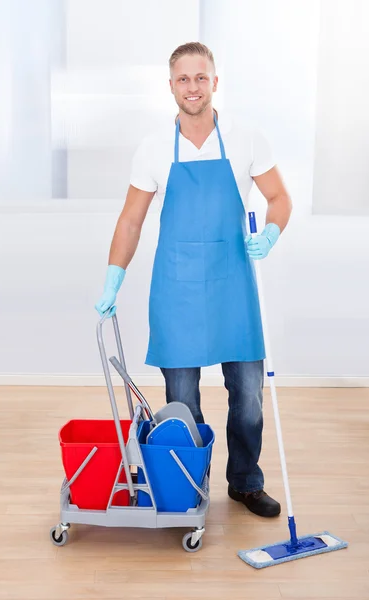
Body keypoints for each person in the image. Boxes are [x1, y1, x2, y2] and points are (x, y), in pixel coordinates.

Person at [96, 42, 292, 517]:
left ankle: (245, 482)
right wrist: (112, 279)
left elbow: (279, 197)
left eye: (200, 77)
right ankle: (189, 485)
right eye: (183, 79)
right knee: (181, 404)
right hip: (178, 292)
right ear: (170, 86)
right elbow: (130, 221)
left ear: (215, 82)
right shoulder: (154, 148)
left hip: (233, 289)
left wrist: (271, 231)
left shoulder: (246, 138)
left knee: (247, 400)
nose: (193, 87)